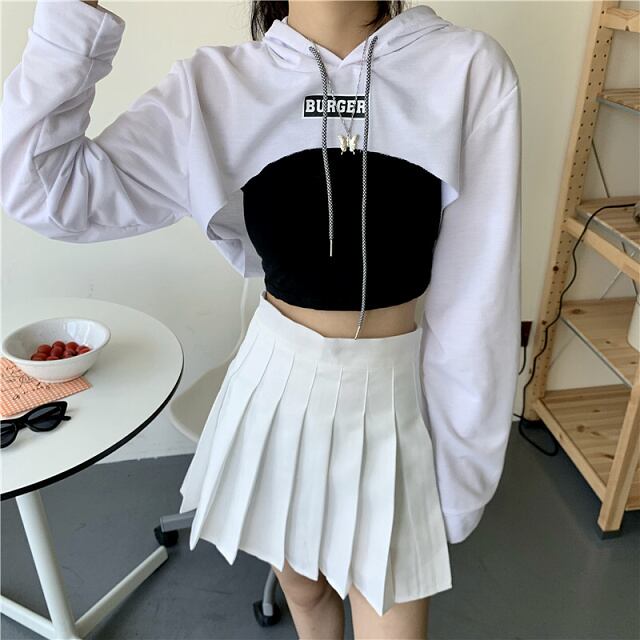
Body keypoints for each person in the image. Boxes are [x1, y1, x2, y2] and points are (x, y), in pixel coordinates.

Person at [0, 1, 522, 638]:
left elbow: (478, 301)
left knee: (391, 609)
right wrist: (74, 14)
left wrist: (462, 477)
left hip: (392, 396)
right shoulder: (215, 88)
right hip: (276, 390)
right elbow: (43, 187)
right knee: (304, 591)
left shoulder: (465, 69)